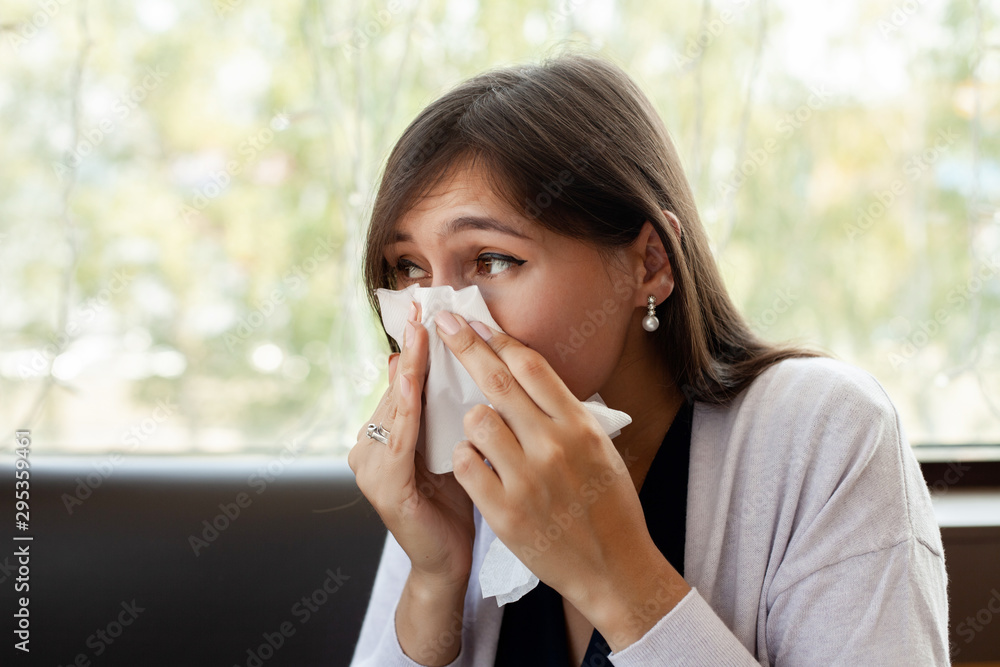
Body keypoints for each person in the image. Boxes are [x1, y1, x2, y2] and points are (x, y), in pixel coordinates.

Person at [347, 52, 950, 666]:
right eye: (409, 269)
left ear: (649, 264)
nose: (436, 318)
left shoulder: (826, 431)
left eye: (492, 260)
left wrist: (619, 581)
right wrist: (434, 581)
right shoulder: (457, 459)